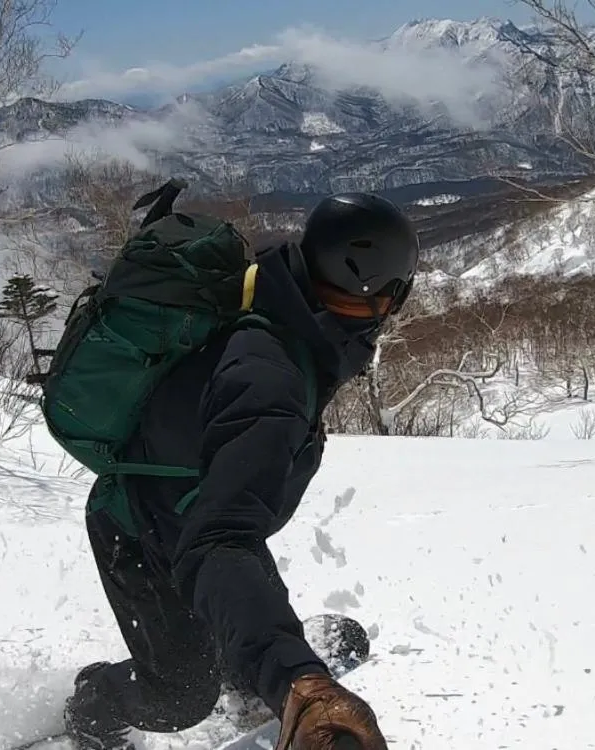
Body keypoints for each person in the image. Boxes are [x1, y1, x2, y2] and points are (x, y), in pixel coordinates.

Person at [63, 191, 419, 750]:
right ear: (385, 295)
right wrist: (300, 682)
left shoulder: (285, 311)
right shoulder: (270, 378)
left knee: (236, 600)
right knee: (180, 696)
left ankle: (248, 662)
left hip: (195, 509)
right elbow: (218, 543)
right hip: (141, 529)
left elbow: (227, 527)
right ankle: (91, 706)